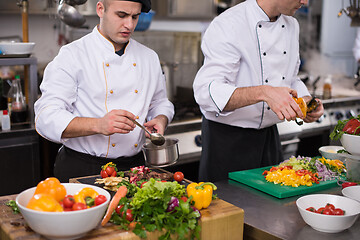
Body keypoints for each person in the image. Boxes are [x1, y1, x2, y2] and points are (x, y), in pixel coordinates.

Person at [34, 0, 174, 182]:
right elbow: (46, 117)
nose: (129, 25)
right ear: (100, 9)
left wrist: (160, 118)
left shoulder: (149, 57)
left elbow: (160, 102)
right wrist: (98, 125)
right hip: (83, 168)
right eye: (121, 15)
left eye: (135, 17)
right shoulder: (72, 55)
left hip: (135, 168)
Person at [193, 0, 324, 182]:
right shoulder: (229, 23)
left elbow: (291, 78)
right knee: (229, 209)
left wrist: (306, 100)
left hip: (270, 138)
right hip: (228, 142)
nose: (305, 2)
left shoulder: (291, 23)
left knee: (270, 208)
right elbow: (206, 92)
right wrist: (264, 92)